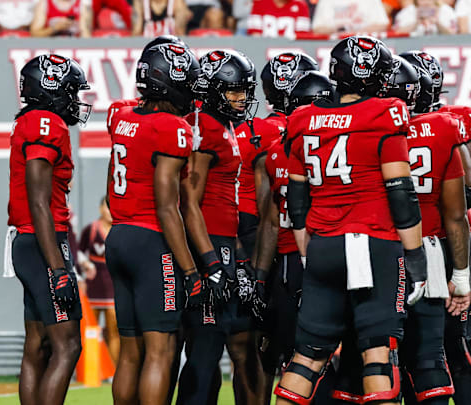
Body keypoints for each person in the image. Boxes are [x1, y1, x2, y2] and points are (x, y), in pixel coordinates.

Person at [273, 35, 427, 405]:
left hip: (322, 243)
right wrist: (418, 259)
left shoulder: (302, 118)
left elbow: (296, 200)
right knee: (377, 352)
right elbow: (400, 191)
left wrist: (308, 252)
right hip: (373, 243)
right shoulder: (384, 112)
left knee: (307, 355)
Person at [105, 40, 201, 405]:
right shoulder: (172, 128)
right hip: (150, 241)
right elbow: (167, 207)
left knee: (130, 352)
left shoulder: (121, 117)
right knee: (160, 350)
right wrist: (191, 272)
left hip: (118, 234)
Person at [177, 49, 267, 404]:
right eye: (234, 91)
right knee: (205, 347)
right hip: (208, 246)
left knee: (214, 346)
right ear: (213, 90)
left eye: (245, 90)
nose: (242, 98)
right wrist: (210, 262)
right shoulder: (205, 127)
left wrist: (239, 261)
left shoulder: (224, 126)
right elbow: (189, 202)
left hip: (223, 243)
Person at [385, 56, 471, 405]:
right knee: (430, 356)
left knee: (374, 359)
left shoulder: (365, 126)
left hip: (377, 248)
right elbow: (460, 210)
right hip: (431, 250)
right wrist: (463, 274)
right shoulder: (443, 128)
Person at [8, 54, 91, 405]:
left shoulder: (32, 120)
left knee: (38, 345)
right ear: (52, 88)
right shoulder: (45, 122)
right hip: (44, 240)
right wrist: (58, 267)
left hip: (29, 239)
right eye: (71, 91)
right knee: (68, 343)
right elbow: (39, 200)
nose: (75, 100)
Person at [409, 49, 471, 405]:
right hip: (434, 247)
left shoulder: (451, 122)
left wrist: (469, 267)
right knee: (422, 348)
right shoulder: (439, 124)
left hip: (440, 245)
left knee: (452, 344)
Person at [255, 71, 335, 398]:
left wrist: (260, 277)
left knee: (291, 356)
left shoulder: (274, 151)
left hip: (288, 262)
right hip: (326, 255)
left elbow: (269, 221)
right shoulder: (333, 147)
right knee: (325, 355)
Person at [78, 198, 119, 364]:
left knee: (114, 330)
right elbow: (79, 252)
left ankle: (113, 369)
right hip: (94, 283)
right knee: (91, 328)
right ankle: (91, 368)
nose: (109, 212)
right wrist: (86, 264)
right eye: (107, 207)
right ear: (101, 208)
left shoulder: (119, 229)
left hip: (114, 283)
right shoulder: (91, 229)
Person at [311, 0, 390, 35]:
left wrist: (355, 33)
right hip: (334, 48)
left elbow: (382, 25)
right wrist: (340, 30)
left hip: (365, 47)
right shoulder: (326, 1)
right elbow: (317, 28)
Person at [246, 0, 310, 39]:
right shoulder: (259, 3)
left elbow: (301, 37)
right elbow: (255, 35)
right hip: (264, 50)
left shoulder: (301, 5)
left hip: (291, 51)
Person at [393, 0, 457, 35]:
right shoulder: (407, 12)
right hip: (413, 47)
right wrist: (416, 23)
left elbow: (453, 34)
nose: (426, 2)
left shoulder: (446, 11)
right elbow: (396, 33)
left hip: (441, 46)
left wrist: (437, 23)